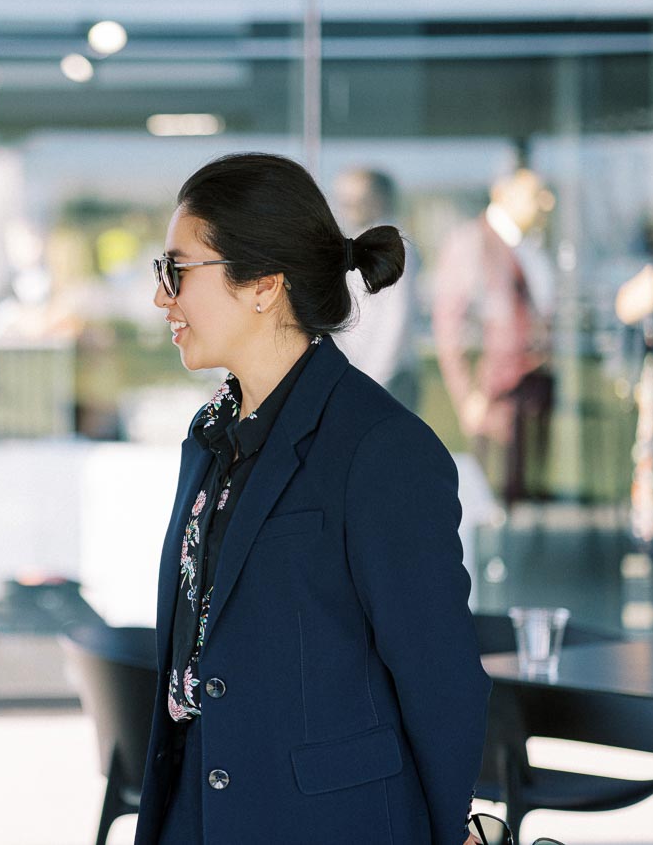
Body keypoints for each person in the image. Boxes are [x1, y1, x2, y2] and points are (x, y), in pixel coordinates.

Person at [137, 153, 490, 844]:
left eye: (176, 271)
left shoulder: (382, 448)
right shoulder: (210, 434)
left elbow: (440, 680)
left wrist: (445, 831)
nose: (161, 298)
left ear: (264, 284)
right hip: (197, 810)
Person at [433, 168, 556, 504]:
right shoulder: (471, 242)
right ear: (504, 194)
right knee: (492, 507)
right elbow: (451, 326)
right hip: (494, 399)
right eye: (536, 194)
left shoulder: (530, 247)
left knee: (525, 504)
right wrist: (469, 394)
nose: (547, 202)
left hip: (532, 396)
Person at [331, 167, 420, 410]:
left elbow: (396, 321)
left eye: (356, 199)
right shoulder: (359, 242)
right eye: (343, 198)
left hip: (386, 380)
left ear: (380, 199)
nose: (346, 205)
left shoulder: (394, 247)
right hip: (362, 377)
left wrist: (370, 380)